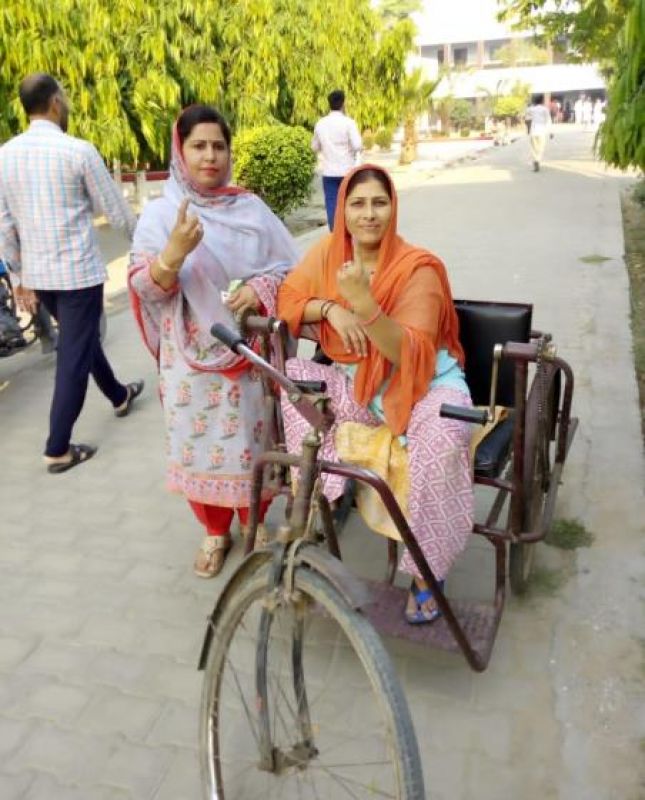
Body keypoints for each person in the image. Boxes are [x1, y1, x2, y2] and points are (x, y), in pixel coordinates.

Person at [277, 164, 474, 624]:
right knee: (297, 384)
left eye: (379, 203)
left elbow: (408, 354)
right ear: (342, 208)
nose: (369, 214)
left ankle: (427, 573)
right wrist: (330, 307)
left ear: (394, 207)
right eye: (358, 203)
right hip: (363, 390)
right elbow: (288, 298)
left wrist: (363, 305)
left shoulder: (418, 268)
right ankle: (321, 504)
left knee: (444, 441)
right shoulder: (328, 253)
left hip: (425, 388)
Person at [129, 104, 298, 578]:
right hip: (189, 361)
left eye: (218, 146)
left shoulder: (251, 209)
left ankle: (256, 522)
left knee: (255, 440)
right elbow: (142, 289)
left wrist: (261, 289)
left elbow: (294, 272)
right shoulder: (162, 215)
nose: (210, 157)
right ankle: (215, 531)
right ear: (179, 152)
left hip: (250, 354)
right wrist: (173, 254)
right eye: (198, 146)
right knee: (199, 447)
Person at [0, 73, 143, 474]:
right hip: (77, 275)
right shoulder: (77, 150)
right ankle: (57, 447)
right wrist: (148, 246)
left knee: (81, 343)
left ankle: (118, 395)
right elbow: (116, 210)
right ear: (55, 103)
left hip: (41, 276)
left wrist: (18, 276)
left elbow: (3, 224)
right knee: (73, 355)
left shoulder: (5, 155)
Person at [312, 89, 362, 231]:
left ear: (329, 104)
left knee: (332, 203)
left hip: (329, 172)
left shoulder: (321, 124)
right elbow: (358, 145)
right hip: (348, 171)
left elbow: (314, 147)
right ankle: (350, 230)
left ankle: (335, 233)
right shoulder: (349, 123)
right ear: (343, 103)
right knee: (349, 201)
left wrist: (326, 147)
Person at [526, 94, 551, 172]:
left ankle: (535, 161)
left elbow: (527, 118)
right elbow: (548, 120)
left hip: (533, 131)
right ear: (542, 101)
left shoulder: (531, 109)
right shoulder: (545, 109)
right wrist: (550, 132)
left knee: (534, 148)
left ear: (534, 101)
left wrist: (528, 130)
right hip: (542, 132)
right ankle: (537, 160)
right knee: (540, 148)